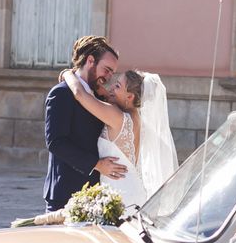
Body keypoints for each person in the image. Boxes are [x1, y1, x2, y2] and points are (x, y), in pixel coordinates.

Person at [62, 69, 178, 207]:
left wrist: (67, 74)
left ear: (130, 97)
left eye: (117, 86)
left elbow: (80, 94)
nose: (110, 88)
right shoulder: (138, 119)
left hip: (119, 196)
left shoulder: (117, 117)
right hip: (132, 191)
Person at [43, 36, 126, 212]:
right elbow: (56, 143)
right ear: (90, 61)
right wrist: (96, 164)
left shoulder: (100, 96)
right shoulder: (61, 93)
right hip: (65, 193)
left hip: (96, 194)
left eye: (112, 72)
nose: (109, 76)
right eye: (107, 70)